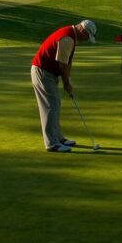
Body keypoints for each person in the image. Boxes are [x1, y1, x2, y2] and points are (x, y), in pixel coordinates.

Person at [31, 19, 97, 153]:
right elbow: (62, 64)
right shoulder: (68, 38)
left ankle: (58, 138)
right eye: (87, 36)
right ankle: (52, 143)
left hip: (48, 72)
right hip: (43, 71)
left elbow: (67, 62)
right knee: (51, 105)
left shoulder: (72, 36)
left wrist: (68, 80)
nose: (86, 40)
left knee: (55, 103)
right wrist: (66, 83)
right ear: (82, 31)